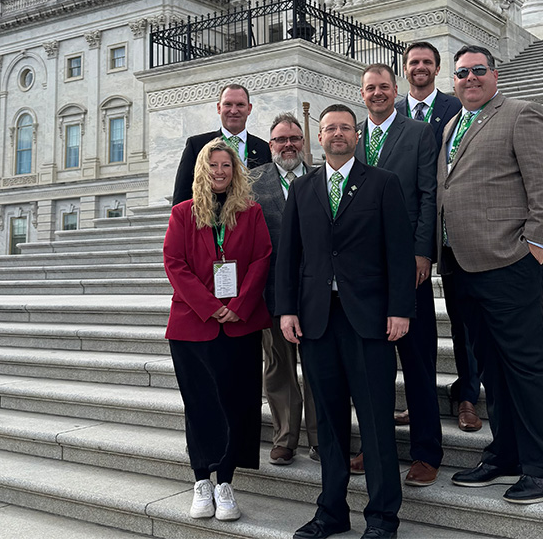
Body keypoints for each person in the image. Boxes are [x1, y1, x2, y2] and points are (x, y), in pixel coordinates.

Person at [276, 104, 415, 539]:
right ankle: (331, 511)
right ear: (319, 137)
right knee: (330, 424)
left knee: (375, 422)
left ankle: (382, 517)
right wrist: (286, 309)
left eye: (344, 128)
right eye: (329, 128)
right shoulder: (302, 189)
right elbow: (290, 256)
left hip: (369, 320)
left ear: (357, 136)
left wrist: (400, 309)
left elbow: (398, 251)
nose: (337, 134)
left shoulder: (383, 184)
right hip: (317, 321)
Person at [438, 45, 543, 505]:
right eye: (461, 73)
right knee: (491, 364)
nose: (469, 78)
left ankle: (541, 466)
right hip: (463, 265)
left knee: (524, 364)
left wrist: (533, 248)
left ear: (494, 74)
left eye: (478, 70)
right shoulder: (454, 124)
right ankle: (506, 452)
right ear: (452, 82)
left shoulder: (521, 114)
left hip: (510, 264)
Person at [163, 138, 273, 521]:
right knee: (200, 405)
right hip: (193, 327)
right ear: (202, 171)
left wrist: (238, 306)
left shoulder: (251, 212)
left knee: (238, 404)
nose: (220, 172)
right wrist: (212, 308)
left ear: (236, 170)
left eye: (226, 165)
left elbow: (262, 258)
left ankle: (225, 481)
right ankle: (201, 481)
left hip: (241, 325)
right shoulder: (183, 213)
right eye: (213, 166)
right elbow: (175, 265)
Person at [350, 63, 442, 488]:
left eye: (384, 87)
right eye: (370, 88)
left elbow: (428, 196)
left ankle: (426, 452)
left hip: (409, 268)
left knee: (418, 363)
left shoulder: (420, 133)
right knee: (373, 368)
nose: (377, 94)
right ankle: (375, 445)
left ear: (396, 90)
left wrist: (423, 251)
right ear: (362, 93)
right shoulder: (352, 138)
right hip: (365, 275)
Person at [394, 42, 482, 433]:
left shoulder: (455, 108)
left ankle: (467, 396)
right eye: (414, 63)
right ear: (405, 69)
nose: (420, 68)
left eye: (427, 62)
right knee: (417, 327)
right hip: (410, 233)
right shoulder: (390, 113)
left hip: (452, 230)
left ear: (437, 68)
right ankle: (420, 400)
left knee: (465, 318)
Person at [252, 112, 319, 465]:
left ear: (303, 143)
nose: (288, 144)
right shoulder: (251, 184)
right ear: (270, 145)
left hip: (318, 293)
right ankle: (284, 437)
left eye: (294, 138)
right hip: (272, 293)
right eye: (280, 139)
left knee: (318, 367)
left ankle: (321, 437)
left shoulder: (323, 178)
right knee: (278, 367)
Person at [172, 83, 271, 205]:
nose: (234, 111)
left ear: (249, 108)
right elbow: (182, 193)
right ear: (219, 108)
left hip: (251, 220)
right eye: (228, 104)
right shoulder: (197, 145)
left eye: (240, 104)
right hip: (208, 220)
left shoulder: (264, 148)